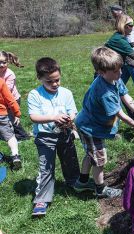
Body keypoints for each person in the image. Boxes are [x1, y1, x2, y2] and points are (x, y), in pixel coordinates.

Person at [74, 47, 134, 198]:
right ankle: (100, 189)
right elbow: (120, 114)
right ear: (101, 72)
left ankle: (82, 182)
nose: (120, 73)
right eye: (115, 71)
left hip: (92, 124)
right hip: (90, 128)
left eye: (120, 69)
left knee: (92, 155)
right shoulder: (104, 92)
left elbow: (126, 96)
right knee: (100, 160)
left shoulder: (114, 78)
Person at [27, 57, 81, 216]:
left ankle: (74, 183)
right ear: (40, 78)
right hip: (45, 137)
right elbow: (33, 116)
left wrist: (69, 119)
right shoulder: (35, 94)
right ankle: (42, 199)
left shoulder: (66, 93)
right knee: (46, 167)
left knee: (70, 160)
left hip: (65, 134)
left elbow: (73, 111)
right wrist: (53, 118)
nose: (55, 84)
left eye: (57, 80)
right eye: (50, 81)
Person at [110, 4, 134, 102]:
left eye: (114, 11)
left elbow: (132, 55)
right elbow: (131, 55)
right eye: (112, 11)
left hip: (130, 59)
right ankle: (116, 97)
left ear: (120, 11)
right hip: (125, 60)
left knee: (130, 81)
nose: (113, 14)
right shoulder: (119, 38)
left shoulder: (127, 24)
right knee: (122, 81)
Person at [0, 51, 30, 141]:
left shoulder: (10, 74)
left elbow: (7, 91)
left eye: (4, 62)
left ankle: (22, 136)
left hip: (12, 101)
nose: (1, 65)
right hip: (2, 101)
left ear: (8, 62)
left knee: (13, 119)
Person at [0, 78, 21, 170]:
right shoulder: (0, 81)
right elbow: (10, 99)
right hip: (1, 115)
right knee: (10, 137)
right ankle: (15, 155)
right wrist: (17, 113)